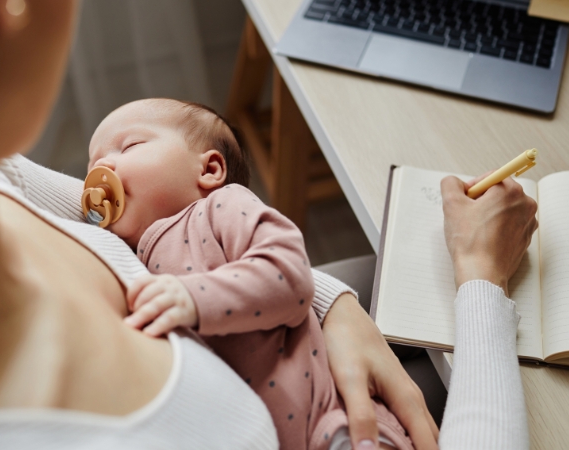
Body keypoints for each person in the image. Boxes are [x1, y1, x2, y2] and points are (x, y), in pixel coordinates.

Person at [0, 1, 537, 449]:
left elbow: (270, 259)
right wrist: (480, 280)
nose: (102, 171)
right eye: (101, 155)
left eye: (127, 148)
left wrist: (332, 307)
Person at [84, 98, 413, 449]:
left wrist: (194, 298)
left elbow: (289, 276)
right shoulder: (129, 256)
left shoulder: (220, 209)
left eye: (130, 146)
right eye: (91, 165)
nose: (101, 166)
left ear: (209, 170)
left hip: (334, 423)